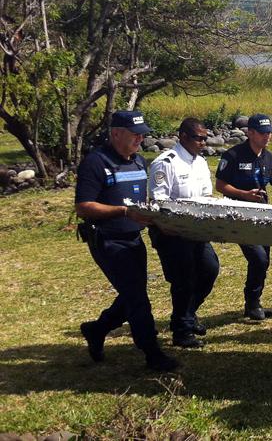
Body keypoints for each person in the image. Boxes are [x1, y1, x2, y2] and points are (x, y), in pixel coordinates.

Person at [75, 110, 178, 372]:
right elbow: (84, 206)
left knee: (132, 294)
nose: (140, 139)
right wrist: (122, 212)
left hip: (133, 238)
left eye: (143, 134)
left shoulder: (139, 162)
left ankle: (97, 329)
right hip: (108, 240)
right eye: (135, 134)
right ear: (116, 133)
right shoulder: (95, 163)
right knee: (137, 298)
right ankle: (152, 352)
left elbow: (140, 202)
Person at [148, 117, 220, 349]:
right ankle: (181, 331)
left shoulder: (199, 162)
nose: (203, 143)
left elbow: (206, 196)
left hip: (197, 231)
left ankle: (187, 315)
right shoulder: (166, 163)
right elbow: (159, 201)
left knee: (209, 270)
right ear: (183, 137)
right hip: (172, 232)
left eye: (205, 138)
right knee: (184, 280)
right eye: (198, 138)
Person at [215, 114, 272, 320]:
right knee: (257, 258)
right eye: (263, 133)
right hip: (239, 216)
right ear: (250, 133)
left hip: (263, 216)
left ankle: (253, 303)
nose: (267, 137)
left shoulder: (269, 158)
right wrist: (244, 195)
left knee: (264, 260)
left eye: (269, 133)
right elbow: (220, 186)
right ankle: (252, 303)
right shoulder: (233, 155)